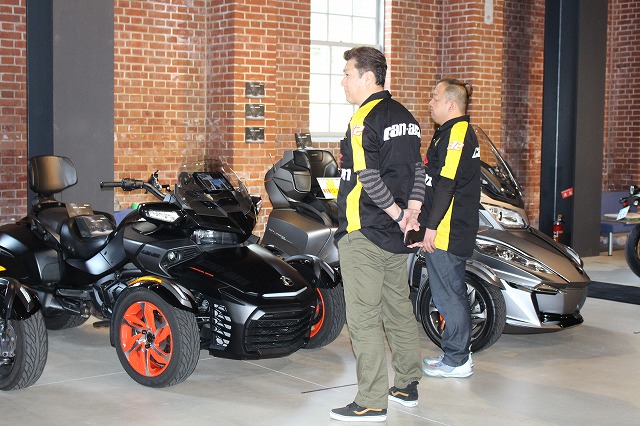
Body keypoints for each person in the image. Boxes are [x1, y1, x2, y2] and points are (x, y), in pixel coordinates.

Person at [329, 46, 425, 423]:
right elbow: (418, 170)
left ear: (368, 78)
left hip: (365, 230)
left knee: (364, 318)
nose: (343, 82)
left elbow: (368, 178)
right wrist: (411, 211)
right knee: (398, 308)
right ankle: (407, 385)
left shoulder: (362, 119)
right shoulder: (407, 117)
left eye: (347, 74)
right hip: (396, 236)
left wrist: (400, 214)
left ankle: (371, 401)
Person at [418, 78, 481, 378]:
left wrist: (431, 227)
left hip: (448, 229)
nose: (430, 102)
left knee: (449, 295)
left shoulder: (457, 133)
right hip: (443, 226)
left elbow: (447, 183)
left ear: (451, 104)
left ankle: (457, 360)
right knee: (446, 292)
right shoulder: (446, 132)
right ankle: (454, 354)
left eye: (435, 98)